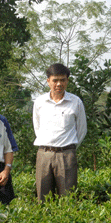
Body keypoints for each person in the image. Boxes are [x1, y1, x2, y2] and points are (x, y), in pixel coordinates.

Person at [33, 63, 87, 202]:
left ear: (67, 81)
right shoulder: (40, 102)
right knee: (43, 199)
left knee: (68, 198)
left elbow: (81, 130)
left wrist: (68, 148)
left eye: (62, 80)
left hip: (67, 155)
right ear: (48, 81)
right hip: (44, 155)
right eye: (55, 80)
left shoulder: (76, 102)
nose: (59, 84)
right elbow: (37, 127)